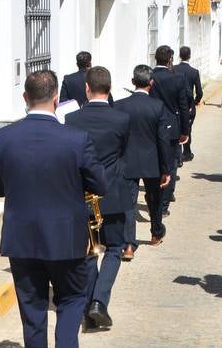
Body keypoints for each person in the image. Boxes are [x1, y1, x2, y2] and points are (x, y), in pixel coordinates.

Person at [0, 70, 107, 348]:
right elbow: (99, 184)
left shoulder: (3, 138)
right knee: (72, 297)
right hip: (66, 236)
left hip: (21, 238)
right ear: (56, 99)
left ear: (24, 98)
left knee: (33, 308)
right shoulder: (76, 138)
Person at [65, 66, 131, 332]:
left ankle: (91, 307)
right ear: (110, 89)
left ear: (86, 89)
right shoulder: (122, 119)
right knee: (114, 248)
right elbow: (122, 153)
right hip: (112, 191)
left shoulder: (71, 120)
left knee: (88, 252)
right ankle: (99, 302)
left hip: (81, 193)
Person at [115, 65, 174, 249]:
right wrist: (166, 168)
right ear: (151, 83)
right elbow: (163, 140)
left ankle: (128, 245)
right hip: (152, 162)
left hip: (127, 160)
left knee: (129, 203)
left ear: (133, 82)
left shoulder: (119, 105)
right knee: (154, 198)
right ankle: (156, 233)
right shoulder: (157, 106)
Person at [150, 45, 192, 209]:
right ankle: (165, 202)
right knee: (172, 163)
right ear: (170, 60)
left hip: (153, 125)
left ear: (156, 59)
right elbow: (183, 106)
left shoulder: (150, 77)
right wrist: (185, 130)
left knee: (156, 162)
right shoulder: (178, 78)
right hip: (172, 126)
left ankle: (156, 198)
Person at [176, 46, 204, 162]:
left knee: (176, 129)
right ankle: (186, 152)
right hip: (188, 106)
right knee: (187, 129)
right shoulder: (194, 72)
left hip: (176, 104)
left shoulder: (174, 70)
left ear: (179, 55)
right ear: (190, 56)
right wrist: (195, 101)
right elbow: (199, 92)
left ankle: (177, 155)